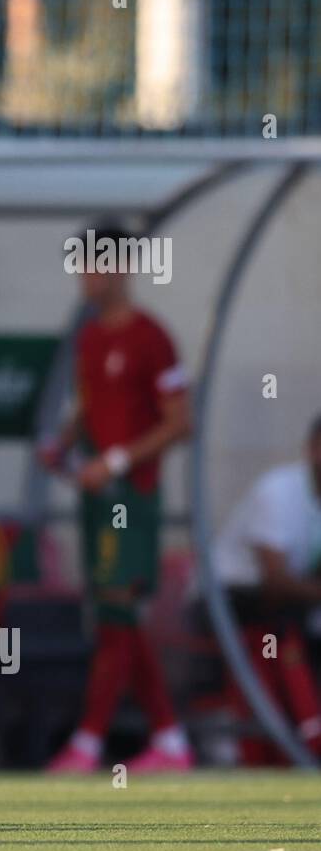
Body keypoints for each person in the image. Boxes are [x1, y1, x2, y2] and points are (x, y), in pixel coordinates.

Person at [40, 222, 194, 773]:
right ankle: (171, 739)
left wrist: (118, 461)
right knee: (115, 616)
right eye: (81, 264)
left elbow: (181, 423)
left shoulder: (153, 336)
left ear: (122, 267)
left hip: (133, 495)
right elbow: (89, 405)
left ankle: (88, 740)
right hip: (97, 498)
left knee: (119, 612)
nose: (86, 275)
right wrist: (63, 443)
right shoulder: (90, 338)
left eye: (96, 263)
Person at [210, 415, 321, 761]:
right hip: (227, 599)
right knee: (281, 627)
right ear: (313, 449)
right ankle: (308, 736)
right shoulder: (278, 490)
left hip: (286, 608)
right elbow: (274, 580)